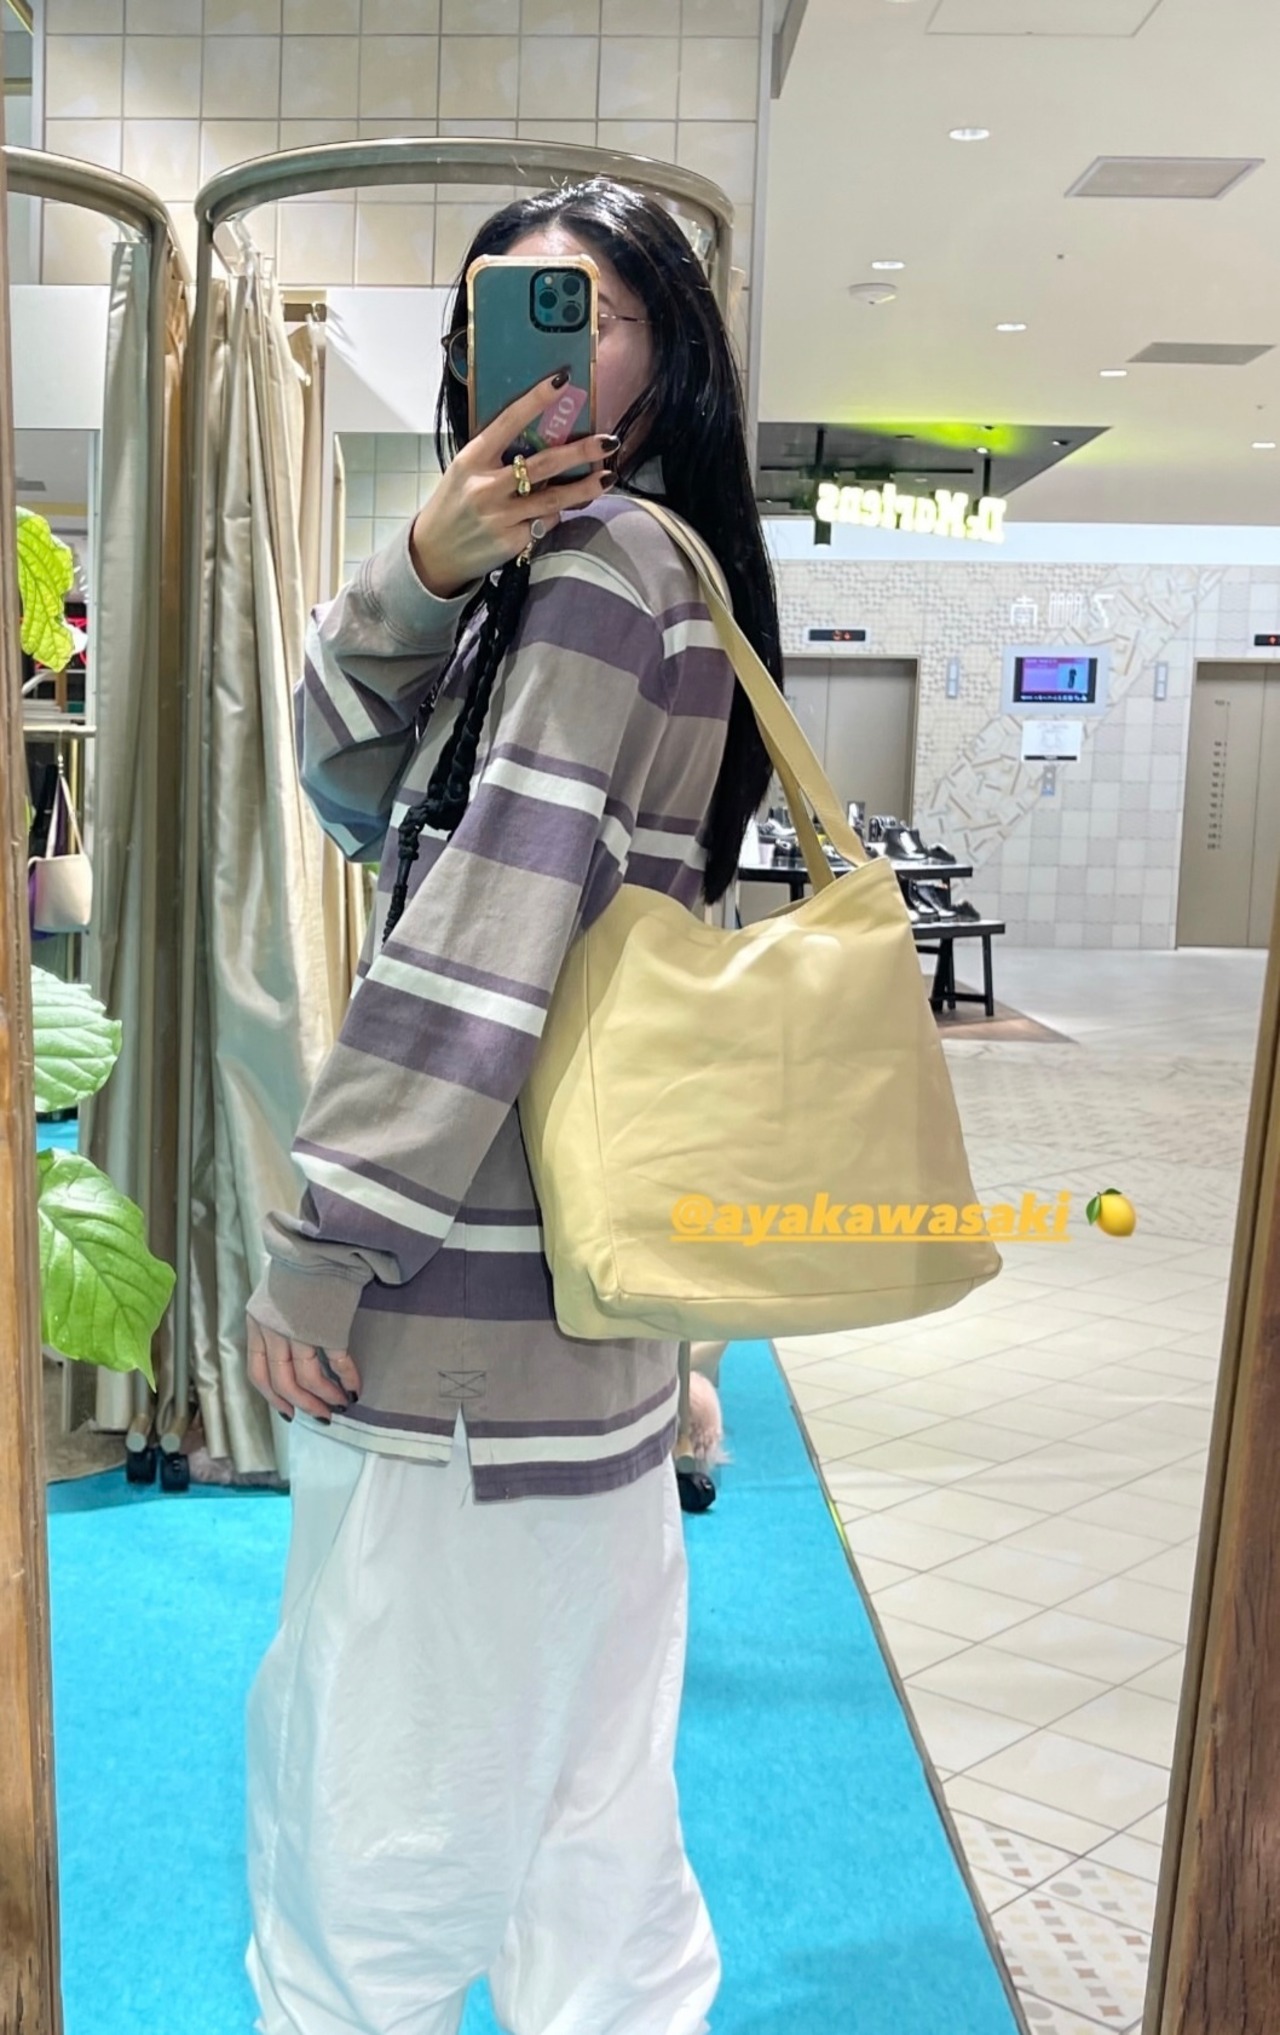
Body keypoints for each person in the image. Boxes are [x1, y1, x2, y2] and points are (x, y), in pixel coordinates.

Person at [241, 177, 784, 2035]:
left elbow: (484, 933)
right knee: (590, 1851)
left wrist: (327, 1240)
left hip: (463, 1327)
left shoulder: (605, 573)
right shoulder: (588, 575)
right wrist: (424, 564)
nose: (536, 358)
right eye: (496, 322)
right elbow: (347, 784)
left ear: (666, 356)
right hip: (581, 1327)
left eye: (588, 317)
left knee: (376, 1854)